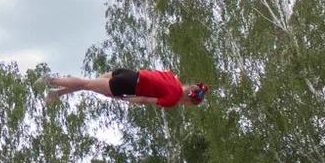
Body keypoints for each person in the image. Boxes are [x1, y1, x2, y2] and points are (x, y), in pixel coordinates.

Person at [40, 69, 207, 108]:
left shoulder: (174, 77)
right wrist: (123, 98)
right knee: (86, 84)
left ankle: (56, 93)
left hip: (129, 73)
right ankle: (50, 80)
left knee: (88, 84)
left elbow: (155, 74)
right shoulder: (172, 100)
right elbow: (143, 100)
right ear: (188, 100)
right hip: (129, 86)